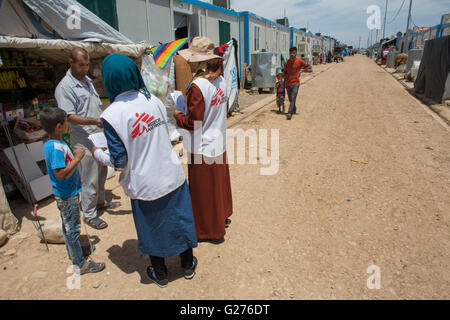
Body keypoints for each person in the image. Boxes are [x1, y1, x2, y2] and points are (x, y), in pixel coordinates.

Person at [100, 54, 198, 288]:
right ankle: (187, 265)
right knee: (180, 219)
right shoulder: (153, 100)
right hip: (171, 175)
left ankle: (161, 273)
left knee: (151, 228)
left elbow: (119, 160)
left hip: (145, 184)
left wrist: (97, 152)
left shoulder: (110, 116)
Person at [174, 36, 233, 244]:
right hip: (219, 140)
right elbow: (222, 110)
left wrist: (177, 115)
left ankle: (209, 229)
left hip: (203, 147)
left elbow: (193, 122)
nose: (187, 62)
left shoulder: (197, 86)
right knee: (218, 186)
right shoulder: (221, 80)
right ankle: (222, 216)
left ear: (198, 61)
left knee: (204, 192)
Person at [40, 108, 105, 275]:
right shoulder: (55, 148)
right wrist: (77, 158)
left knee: (68, 225)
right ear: (59, 126)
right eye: (66, 122)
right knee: (73, 228)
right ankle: (80, 264)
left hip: (68, 192)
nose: (69, 124)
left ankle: (74, 252)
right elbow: (60, 174)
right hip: (66, 194)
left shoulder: (56, 142)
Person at [54, 47, 110, 231]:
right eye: (81, 65)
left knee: (102, 170)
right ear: (71, 63)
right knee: (90, 176)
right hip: (82, 136)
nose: (85, 69)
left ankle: (100, 202)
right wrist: (95, 120)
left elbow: (95, 104)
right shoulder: (65, 87)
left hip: (97, 133)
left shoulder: (87, 81)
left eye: (86, 65)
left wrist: (103, 117)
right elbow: (68, 116)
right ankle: (89, 214)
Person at [283, 47, 311, 120]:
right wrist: (283, 83)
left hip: (296, 83)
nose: (292, 54)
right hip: (288, 83)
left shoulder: (300, 61)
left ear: (296, 53)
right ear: (289, 53)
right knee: (290, 99)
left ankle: (289, 113)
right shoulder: (286, 63)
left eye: (294, 53)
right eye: (291, 53)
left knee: (293, 98)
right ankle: (294, 109)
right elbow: (285, 73)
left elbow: (309, 66)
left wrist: (301, 71)